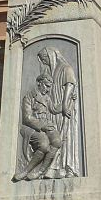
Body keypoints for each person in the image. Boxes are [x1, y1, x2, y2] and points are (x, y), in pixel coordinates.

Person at [37, 47, 81, 178]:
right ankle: (53, 168)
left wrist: (65, 104)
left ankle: (65, 167)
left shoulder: (66, 68)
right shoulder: (51, 71)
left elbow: (70, 85)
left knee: (64, 137)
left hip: (64, 109)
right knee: (54, 138)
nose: (44, 62)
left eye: (45, 58)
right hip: (54, 110)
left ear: (51, 56)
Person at [13, 74, 62, 181]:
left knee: (57, 141)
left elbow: (54, 109)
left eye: (50, 87)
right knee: (44, 145)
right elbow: (27, 118)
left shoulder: (47, 97)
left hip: (46, 124)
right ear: (39, 83)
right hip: (32, 127)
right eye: (46, 86)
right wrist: (42, 126)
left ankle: (41, 172)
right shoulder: (29, 97)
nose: (48, 89)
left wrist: (67, 102)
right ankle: (25, 171)